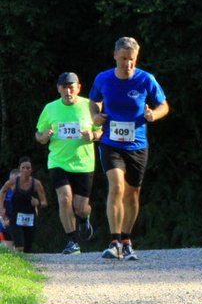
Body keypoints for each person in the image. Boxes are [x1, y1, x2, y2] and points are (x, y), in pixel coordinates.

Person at [89, 37, 169, 261]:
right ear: (115, 56)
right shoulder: (103, 78)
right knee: (116, 186)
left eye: (132, 59)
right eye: (124, 58)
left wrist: (153, 115)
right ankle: (114, 241)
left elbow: (164, 105)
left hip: (137, 145)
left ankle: (126, 240)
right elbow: (93, 101)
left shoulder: (146, 79)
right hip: (111, 143)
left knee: (133, 194)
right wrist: (95, 115)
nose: (128, 64)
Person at [35, 72, 102, 254]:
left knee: (81, 207)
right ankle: (72, 241)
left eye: (71, 87)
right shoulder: (50, 108)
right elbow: (39, 135)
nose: (68, 91)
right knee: (64, 198)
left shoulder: (89, 105)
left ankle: (84, 217)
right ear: (59, 89)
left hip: (83, 163)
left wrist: (93, 135)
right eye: (64, 87)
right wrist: (44, 137)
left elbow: (100, 130)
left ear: (78, 88)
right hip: (58, 161)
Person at [0, 157, 49, 253]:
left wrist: (38, 202)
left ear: (31, 170)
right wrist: (1, 208)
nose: (26, 170)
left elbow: (44, 202)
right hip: (16, 218)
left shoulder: (36, 184)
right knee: (19, 247)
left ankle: (23, 261)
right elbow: (2, 192)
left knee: (27, 249)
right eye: (23, 168)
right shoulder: (13, 182)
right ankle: (17, 260)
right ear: (20, 169)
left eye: (28, 168)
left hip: (30, 219)